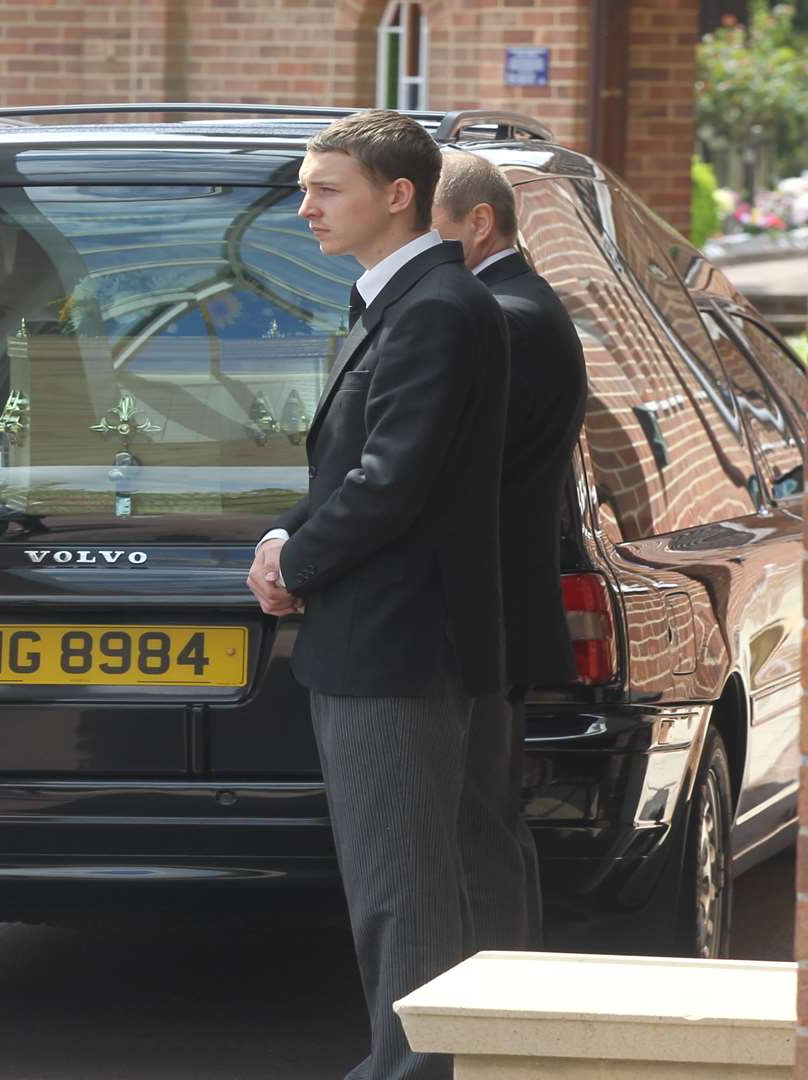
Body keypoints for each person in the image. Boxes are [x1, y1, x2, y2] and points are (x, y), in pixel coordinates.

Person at [247, 110, 510, 1080]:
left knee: (402, 894)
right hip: (388, 638)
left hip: (398, 647)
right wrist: (287, 535)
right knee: (405, 889)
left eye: (327, 188)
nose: (304, 205)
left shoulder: (436, 307)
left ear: (399, 196)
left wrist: (291, 561)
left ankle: (411, 1074)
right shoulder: (402, 302)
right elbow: (365, 471)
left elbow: (391, 483)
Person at [433, 150, 587, 952]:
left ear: (477, 223)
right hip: (487, 610)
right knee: (479, 822)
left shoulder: (504, 320)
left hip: (480, 616)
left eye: (427, 226)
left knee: (476, 829)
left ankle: (497, 1017)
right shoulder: (516, 306)